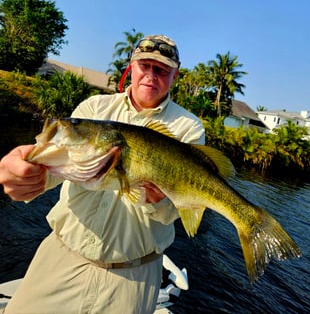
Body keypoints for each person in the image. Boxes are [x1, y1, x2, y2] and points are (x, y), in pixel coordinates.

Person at [0, 34, 205, 314]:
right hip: (61, 257)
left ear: (174, 76)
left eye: (162, 70)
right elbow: (60, 164)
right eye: (145, 65)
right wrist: (27, 174)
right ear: (131, 66)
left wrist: (158, 199)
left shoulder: (188, 128)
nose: (151, 75)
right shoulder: (95, 109)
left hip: (132, 277)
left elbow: (173, 211)